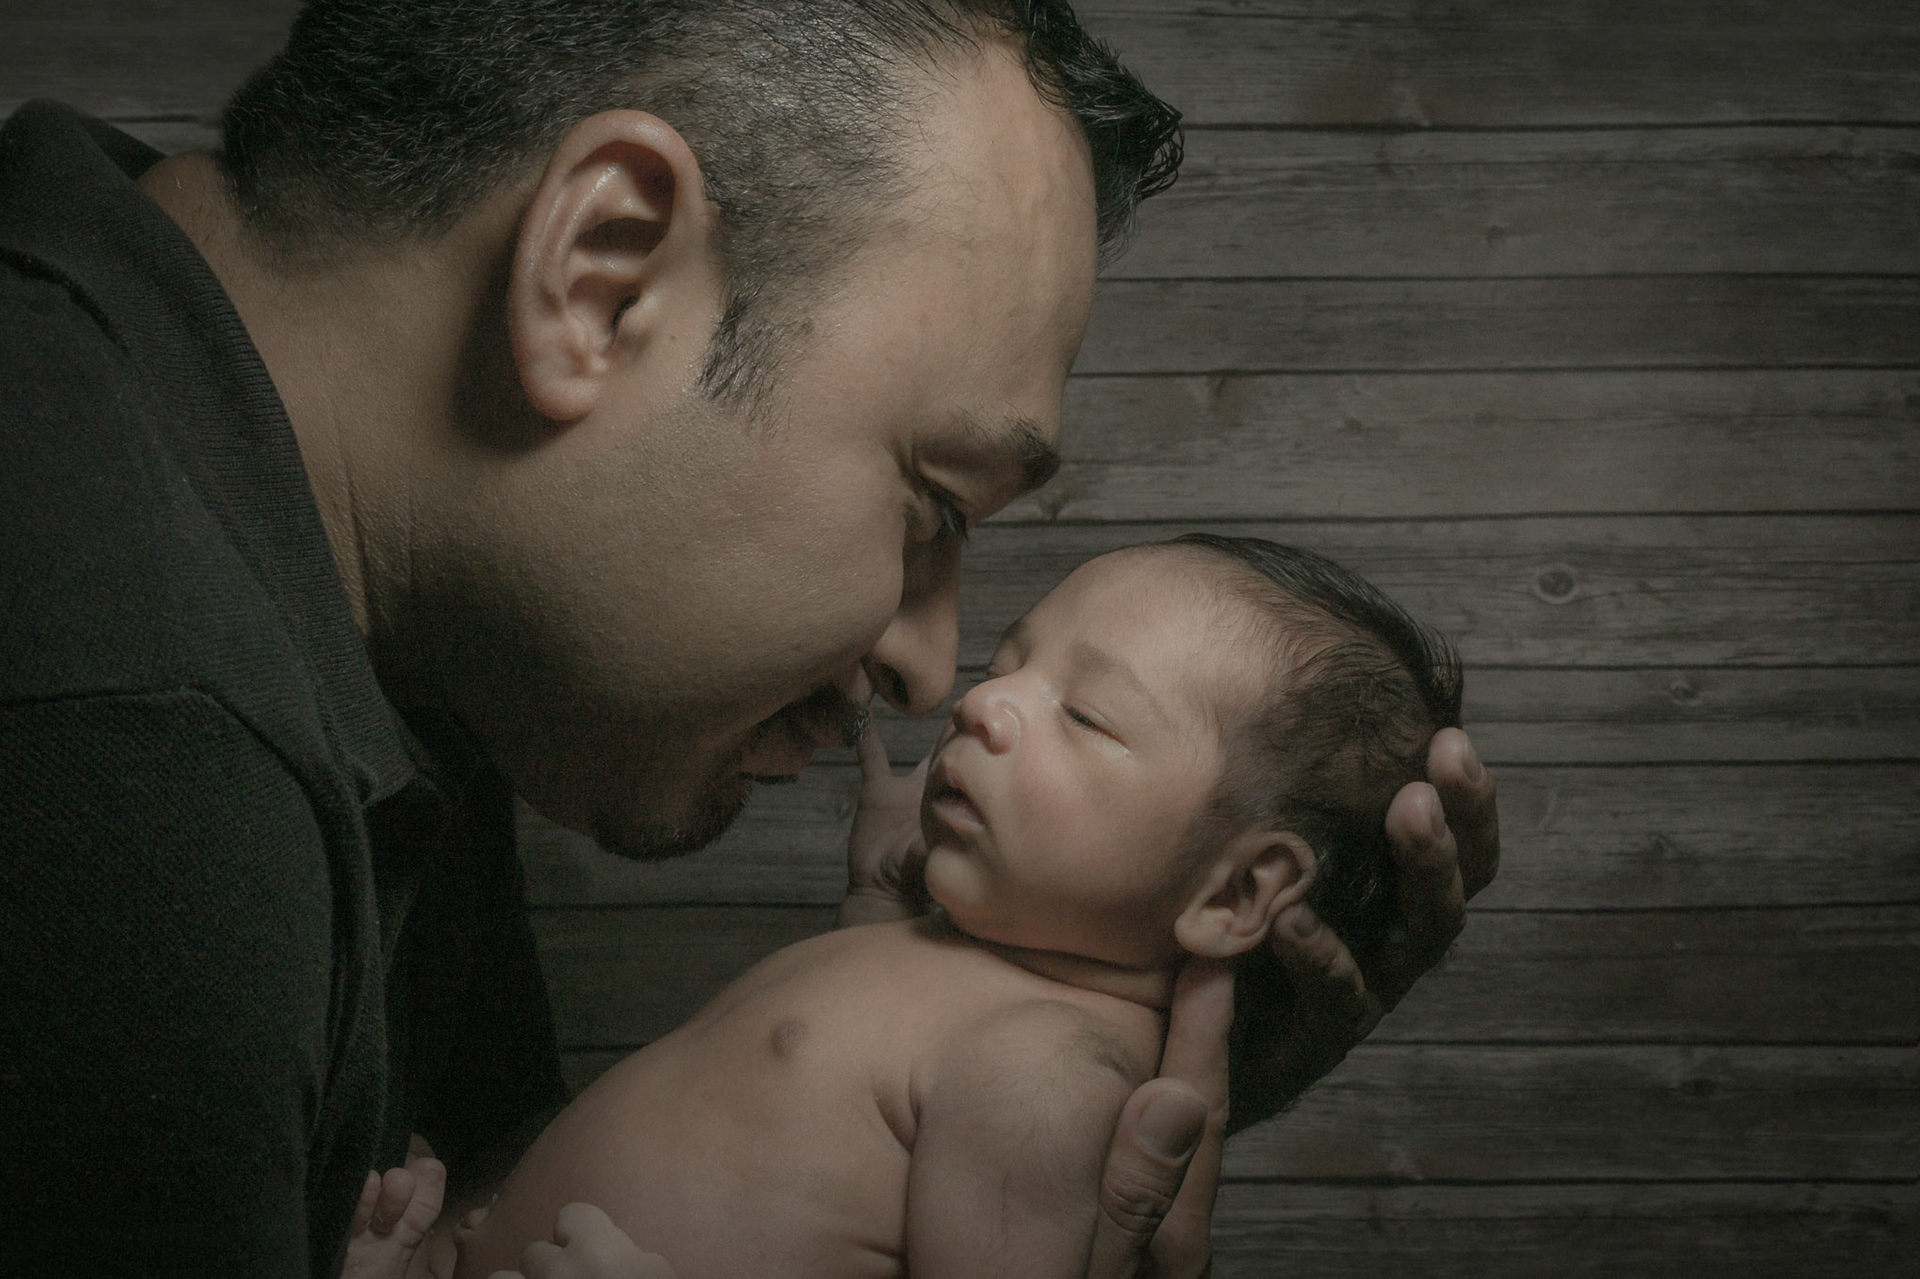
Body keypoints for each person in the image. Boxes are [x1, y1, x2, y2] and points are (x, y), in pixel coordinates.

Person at [0, 3, 1499, 1276]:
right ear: (603, 274)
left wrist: (1121, 1062)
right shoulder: (124, 747)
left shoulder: (378, 581)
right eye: (930, 497)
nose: (934, 668)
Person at [416, 535, 1460, 1278]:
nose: (980, 701)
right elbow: (831, 1121)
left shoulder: (1041, 1073)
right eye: (1011, 662)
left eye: (1084, 715)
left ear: (1235, 890)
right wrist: (875, 900)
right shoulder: (976, 973)